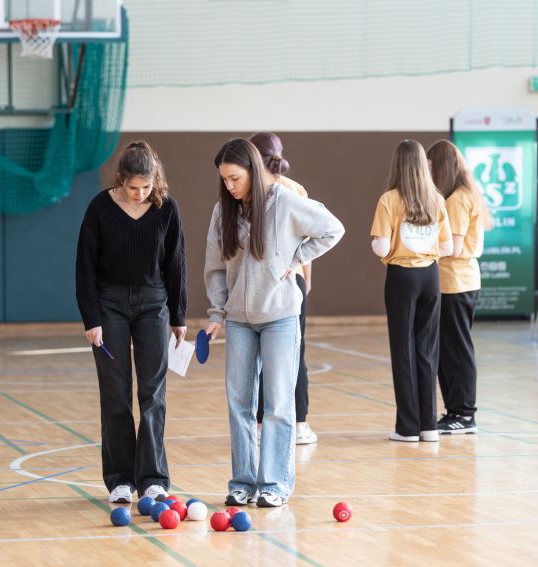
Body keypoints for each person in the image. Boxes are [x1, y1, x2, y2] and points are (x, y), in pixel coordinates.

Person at [204, 139, 344, 507]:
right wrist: (217, 314)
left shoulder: (284, 201)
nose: (230, 186)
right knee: (239, 403)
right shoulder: (224, 212)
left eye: (235, 178)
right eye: (225, 181)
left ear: (253, 169)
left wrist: (295, 257)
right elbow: (216, 268)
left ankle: (275, 484)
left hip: (281, 316)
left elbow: (332, 228)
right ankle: (243, 482)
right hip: (238, 320)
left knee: (279, 403)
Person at [75, 141, 187, 503]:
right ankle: (121, 479)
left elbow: (176, 264)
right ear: (120, 179)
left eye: (147, 187)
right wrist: (91, 318)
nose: (140, 194)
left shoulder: (167, 208)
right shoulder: (99, 209)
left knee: (153, 394)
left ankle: (153, 478)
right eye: (133, 187)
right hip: (109, 306)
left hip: (154, 305)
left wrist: (179, 316)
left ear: (156, 180)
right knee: (116, 394)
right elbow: (84, 268)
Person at [370, 140, 452, 443]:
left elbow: (381, 245)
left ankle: (407, 427)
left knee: (402, 350)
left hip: (402, 277)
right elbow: (448, 246)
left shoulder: (389, 200)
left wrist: (385, 248)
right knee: (426, 349)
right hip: (431, 276)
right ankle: (429, 425)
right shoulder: (437, 199)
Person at [248, 132, 317, 445]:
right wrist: (306, 277)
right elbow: (309, 239)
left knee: (263, 353)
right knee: (294, 353)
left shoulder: (257, 191)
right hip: (295, 278)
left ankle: (264, 423)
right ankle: (299, 423)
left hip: (269, 280)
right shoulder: (297, 189)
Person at [427, 139, 492, 434]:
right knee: (452, 349)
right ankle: (456, 410)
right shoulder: (467, 195)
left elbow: (451, 247)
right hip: (460, 280)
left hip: (455, 282)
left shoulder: (455, 201)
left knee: (457, 351)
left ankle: (464, 413)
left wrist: (416, 250)